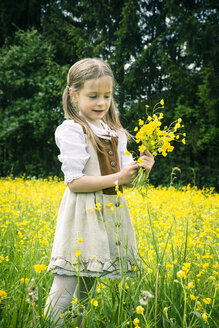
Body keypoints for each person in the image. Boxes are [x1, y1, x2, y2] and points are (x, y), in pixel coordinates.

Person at [44, 58, 154, 326]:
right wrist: (118, 177)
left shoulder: (115, 132)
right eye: (93, 96)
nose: (101, 103)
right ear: (73, 94)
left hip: (109, 213)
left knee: (88, 285)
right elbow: (75, 182)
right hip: (82, 212)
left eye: (107, 96)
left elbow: (124, 181)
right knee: (67, 283)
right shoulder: (72, 130)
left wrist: (143, 170)